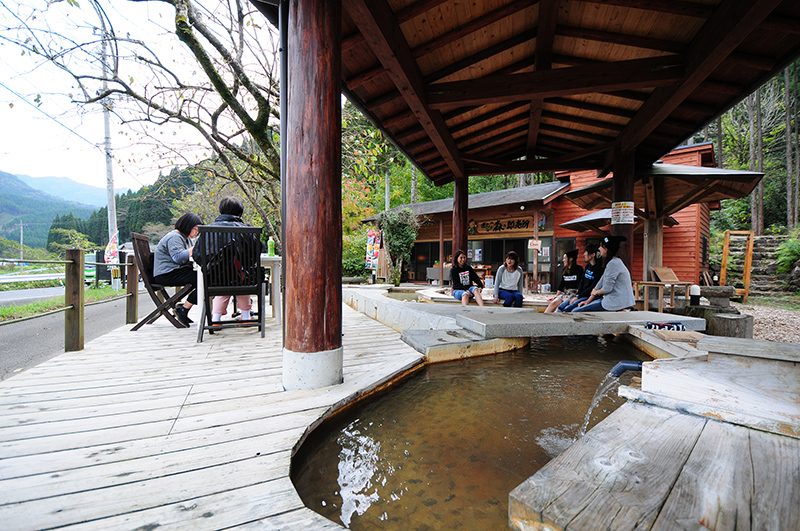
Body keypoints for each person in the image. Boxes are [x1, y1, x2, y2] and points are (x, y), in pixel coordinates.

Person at [205, 196, 255, 323]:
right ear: (240, 213)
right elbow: (256, 250)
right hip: (241, 278)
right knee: (241, 277)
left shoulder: (208, 230)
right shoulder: (246, 230)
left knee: (224, 278)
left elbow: (197, 254)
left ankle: (215, 319)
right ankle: (246, 316)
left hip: (214, 278)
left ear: (221, 211)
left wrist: (212, 266)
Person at [153, 212, 203, 326]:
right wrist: (195, 248)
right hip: (166, 274)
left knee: (204, 278)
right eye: (195, 229)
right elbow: (178, 258)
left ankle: (183, 309)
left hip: (172, 272)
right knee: (204, 280)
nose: (197, 232)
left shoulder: (184, 238)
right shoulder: (174, 237)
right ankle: (183, 309)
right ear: (188, 226)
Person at [573, 235, 635, 312]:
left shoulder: (613, 264)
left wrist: (596, 292)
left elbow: (607, 289)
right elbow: (600, 282)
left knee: (576, 312)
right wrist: (588, 301)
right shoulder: (612, 262)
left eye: (601, 246)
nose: (599, 249)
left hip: (616, 303)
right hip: (612, 300)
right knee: (577, 309)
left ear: (606, 249)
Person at [557, 243, 603, 312]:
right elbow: (582, 282)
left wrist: (578, 297)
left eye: (586, 252)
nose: (584, 254)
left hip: (588, 296)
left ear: (592, 255)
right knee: (561, 307)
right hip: (580, 295)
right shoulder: (587, 266)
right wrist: (577, 295)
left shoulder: (599, 270)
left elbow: (593, 287)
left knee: (568, 309)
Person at [544, 249, 583, 313]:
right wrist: (556, 296)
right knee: (553, 303)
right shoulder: (565, 270)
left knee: (560, 308)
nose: (563, 260)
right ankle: (542, 319)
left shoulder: (579, 269)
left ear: (570, 259)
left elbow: (581, 285)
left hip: (574, 294)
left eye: (565, 258)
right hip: (566, 293)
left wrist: (577, 297)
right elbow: (561, 285)